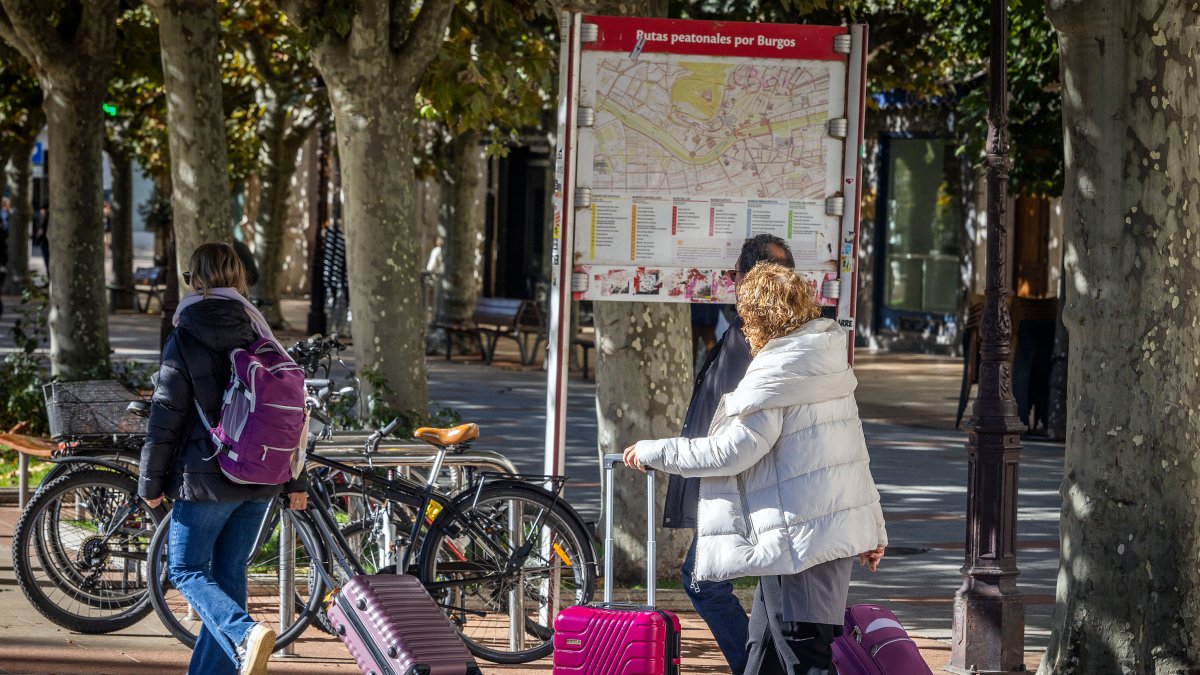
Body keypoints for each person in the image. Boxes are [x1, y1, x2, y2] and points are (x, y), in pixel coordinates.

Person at [626, 262, 888, 675]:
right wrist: (873, 529)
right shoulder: (825, 359)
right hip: (810, 534)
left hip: (798, 538)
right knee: (763, 655)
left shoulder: (777, 370)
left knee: (805, 657)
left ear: (759, 315)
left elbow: (732, 451)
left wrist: (655, 451)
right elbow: (855, 455)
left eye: (746, 314)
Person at [139, 242, 308, 675]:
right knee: (229, 571)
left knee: (185, 569)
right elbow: (289, 415)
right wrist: (296, 480)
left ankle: (244, 632)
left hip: (207, 475)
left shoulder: (185, 333)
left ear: (195, 279)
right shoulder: (259, 331)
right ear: (238, 279)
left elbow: (167, 414)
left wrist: (150, 482)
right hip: (262, 476)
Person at [661, 233, 795, 675]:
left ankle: (755, 667)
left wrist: (670, 455)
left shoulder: (758, 336)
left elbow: (742, 430)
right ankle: (759, 665)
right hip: (751, 483)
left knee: (703, 581)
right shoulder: (768, 332)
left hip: (744, 484)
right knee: (764, 593)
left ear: (744, 278)